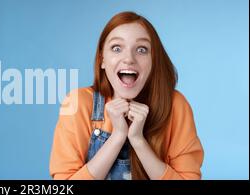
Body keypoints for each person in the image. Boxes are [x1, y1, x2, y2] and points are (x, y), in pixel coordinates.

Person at [49, 11, 204, 180]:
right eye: (117, 48)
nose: (129, 59)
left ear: (153, 60)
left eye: (141, 49)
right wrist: (118, 137)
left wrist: (138, 141)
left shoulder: (175, 105)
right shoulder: (78, 103)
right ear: (102, 59)